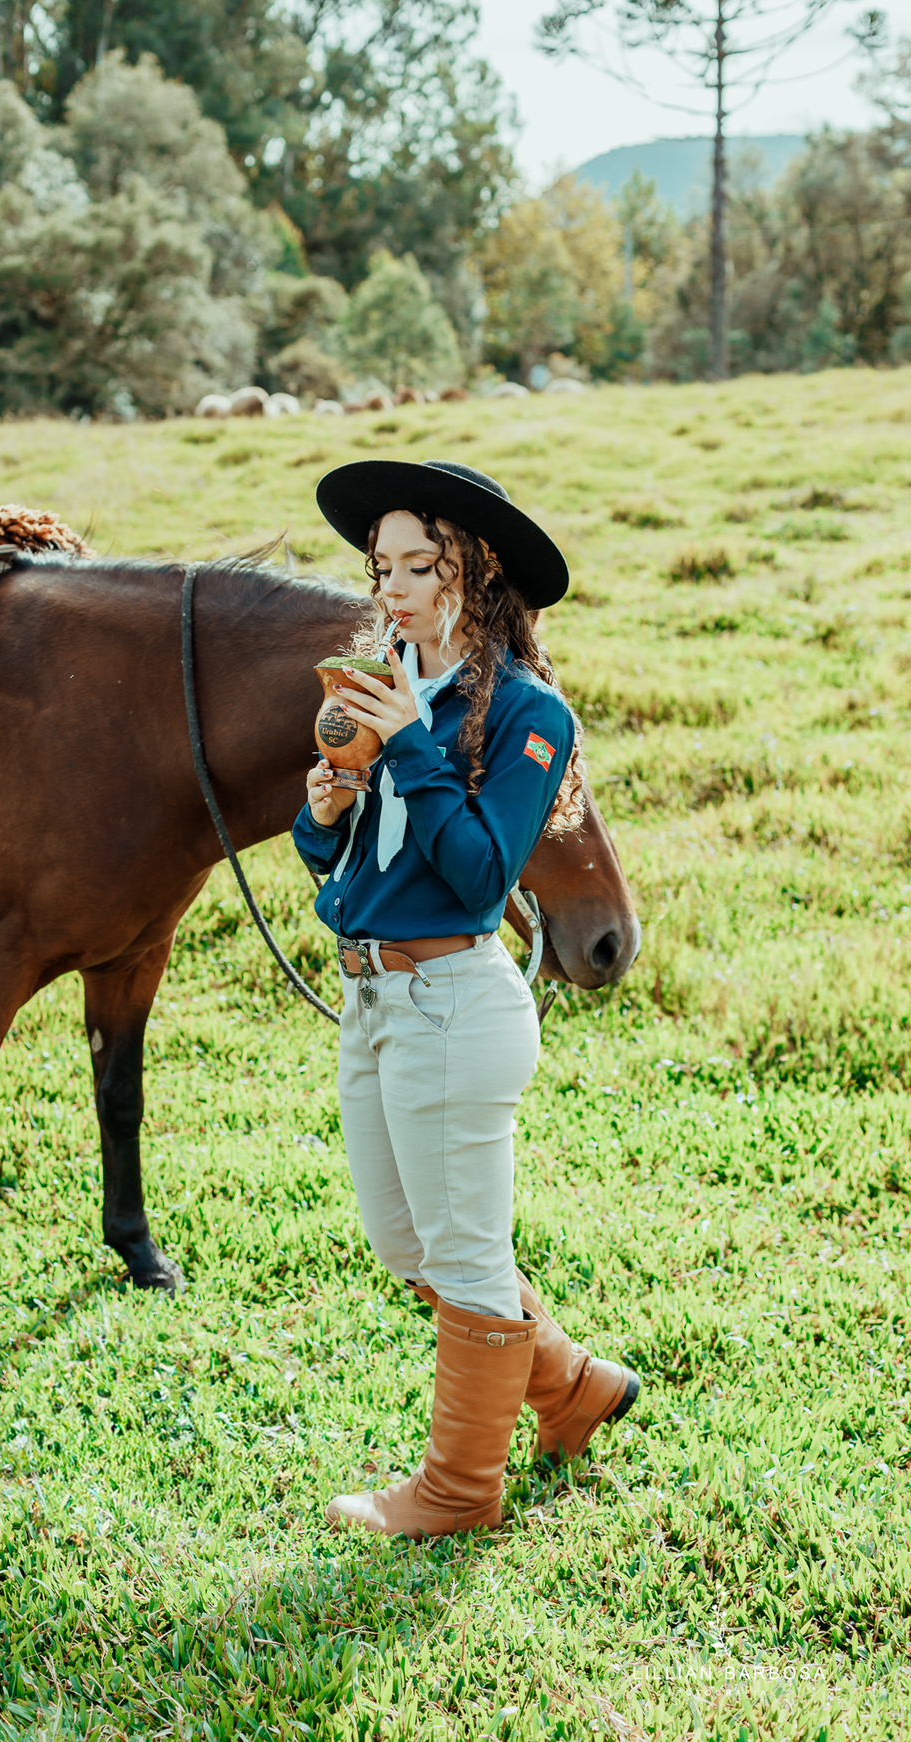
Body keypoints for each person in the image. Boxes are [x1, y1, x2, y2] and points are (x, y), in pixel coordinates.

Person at [292, 459, 640, 1542]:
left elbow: (484, 875)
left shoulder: (530, 715)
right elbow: (345, 868)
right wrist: (325, 811)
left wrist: (408, 747)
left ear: (477, 573)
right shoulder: (382, 685)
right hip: (372, 1000)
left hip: (452, 1000)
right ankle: (571, 1387)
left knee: (464, 1255)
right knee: (407, 1247)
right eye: (382, 567)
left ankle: (456, 1493)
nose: (392, 589)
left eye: (419, 566)